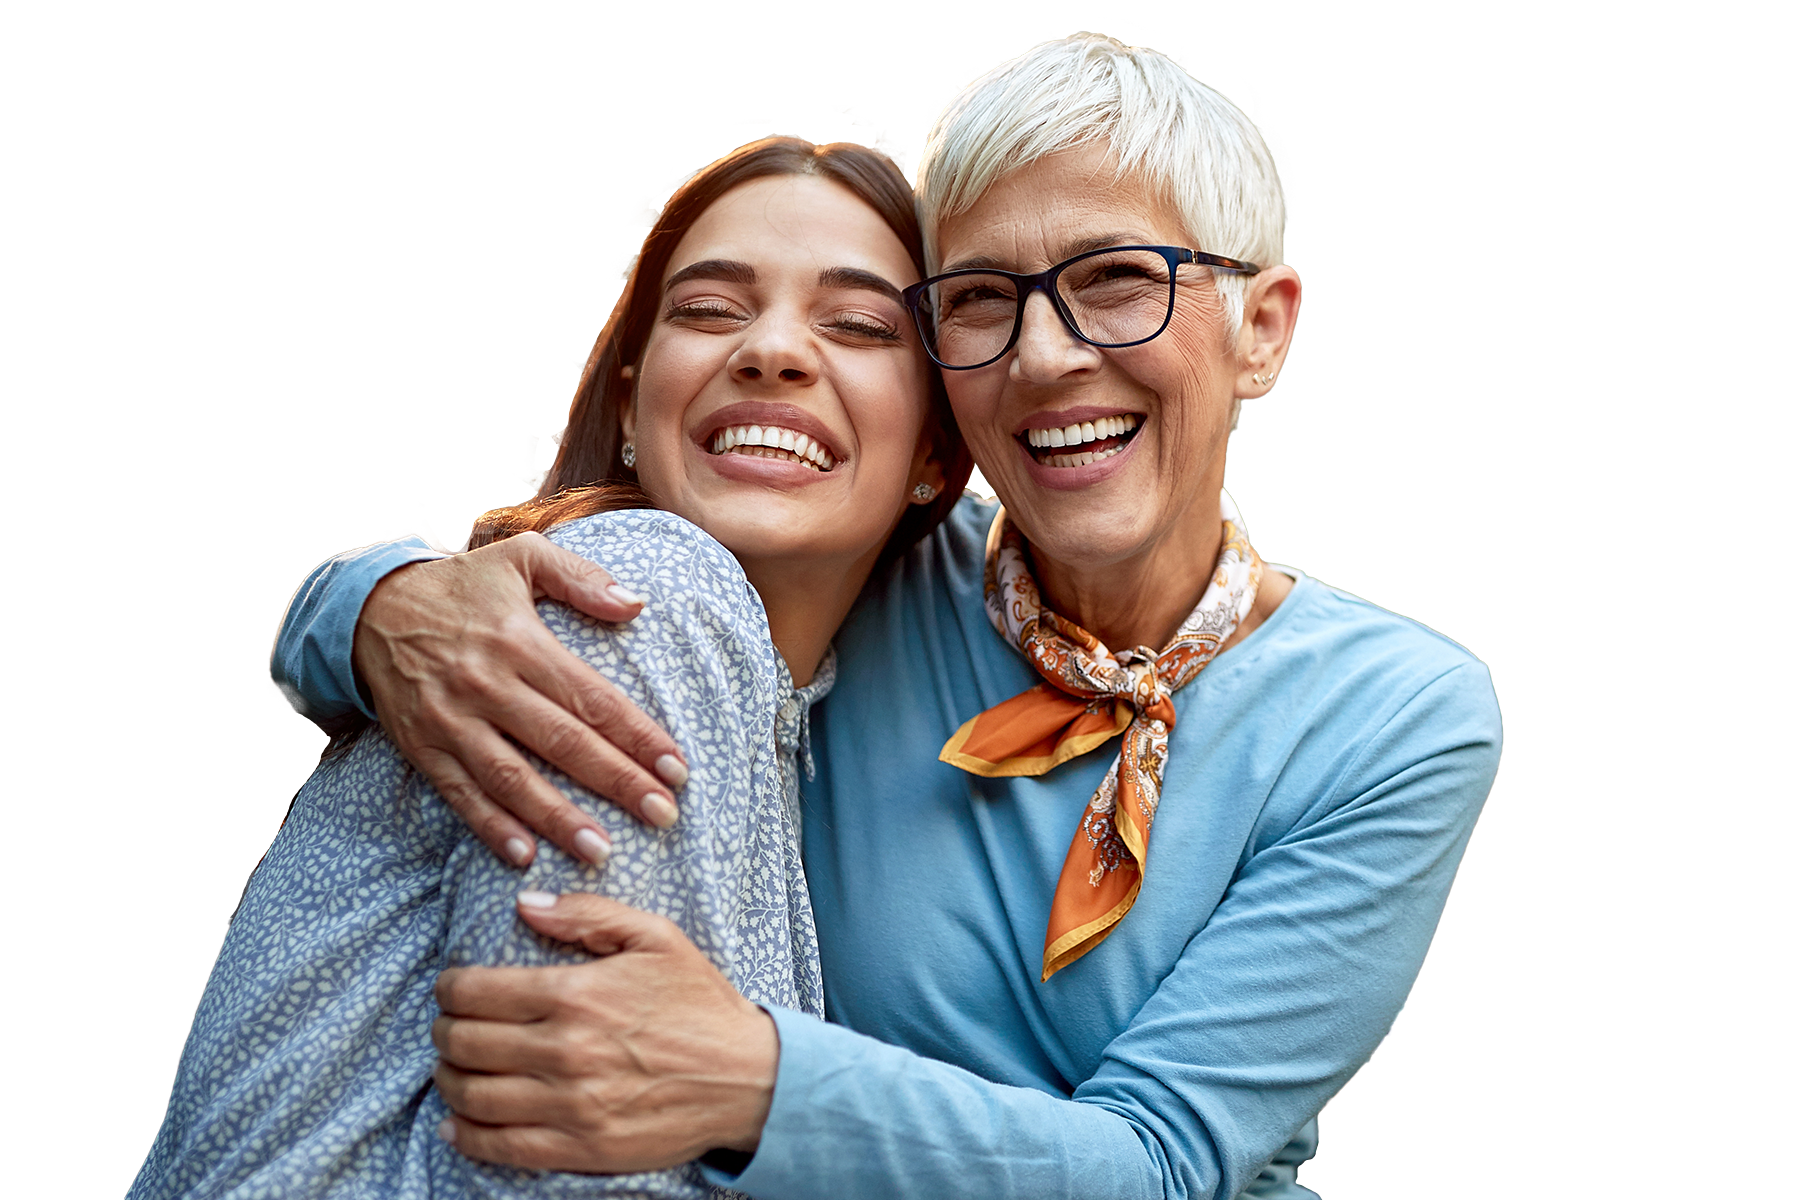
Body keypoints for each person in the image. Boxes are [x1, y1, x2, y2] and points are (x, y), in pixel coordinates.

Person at [272, 30, 1502, 1200]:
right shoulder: (864, 574)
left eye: (1118, 279)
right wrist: (378, 601)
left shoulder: (1395, 714)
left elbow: (1168, 1165)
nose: (1044, 356)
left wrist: (756, 1080)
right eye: (978, 300)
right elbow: (621, 569)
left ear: (1262, 328)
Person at [129, 129, 966, 1199]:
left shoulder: (815, 702)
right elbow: (566, 1172)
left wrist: (353, 598)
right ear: (627, 402)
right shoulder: (649, 593)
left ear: (936, 451)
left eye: (854, 325)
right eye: (709, 309)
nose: (773, 351)